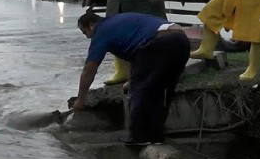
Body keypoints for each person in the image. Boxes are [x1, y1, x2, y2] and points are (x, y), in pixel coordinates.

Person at [72, 11, 190, 145]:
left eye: (85, 32)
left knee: (140, 90)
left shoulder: (101, 32)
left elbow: (89, 69)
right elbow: (137, 52)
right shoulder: (119, 21)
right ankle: (156, 136)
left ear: (91, 25)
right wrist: (133, 79)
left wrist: (80, 99)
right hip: (181, 40)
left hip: (159, 43)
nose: (87, 37)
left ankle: (139, 137)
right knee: (164, 89)